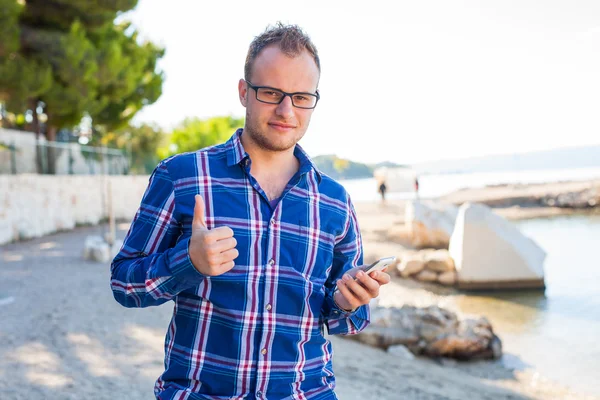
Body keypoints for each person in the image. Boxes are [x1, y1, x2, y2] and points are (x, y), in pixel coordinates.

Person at [110, 23, 390, 399]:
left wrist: (346, 301)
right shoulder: (182, 176)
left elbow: (345, 319)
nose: (286, 110)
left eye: (302, 97)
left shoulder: (334, 200)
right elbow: (124, 284)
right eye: (271, 92)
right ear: (244, 92)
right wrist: (187, 262)